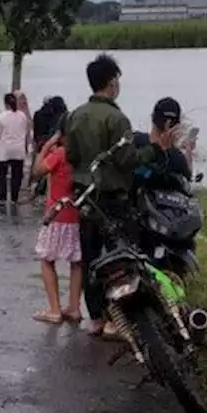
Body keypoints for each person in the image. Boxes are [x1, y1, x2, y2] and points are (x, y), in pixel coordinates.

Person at [65, 53, 138, 337]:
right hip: (112, 199)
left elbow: (70, 155)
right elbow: (126, 159)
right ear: (111, 83)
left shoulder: (75, 116)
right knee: (119, 257)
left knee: (90, 257)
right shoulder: (117, 118)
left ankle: (95, 318)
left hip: (86, 199)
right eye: (117, 79)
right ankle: (115, 319)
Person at [31, 128, 84, 324]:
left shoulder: (59, 154)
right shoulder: (81, 156)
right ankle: (74, 307)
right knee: (76, 262)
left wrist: (45, 147)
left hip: (56, 214)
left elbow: (37, 172)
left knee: (46, 259)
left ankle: (54, 310)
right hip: (76, 214)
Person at [0, 93, 31, 207]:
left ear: (5, 103)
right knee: (17, 175)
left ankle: (2, 198)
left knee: (2, 175)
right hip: (19, 150)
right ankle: (14, 198)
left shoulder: (1, 116)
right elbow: (25, 131)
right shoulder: (22, 116)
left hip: (5, 150)